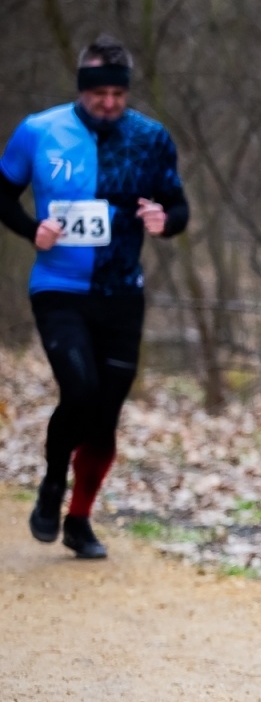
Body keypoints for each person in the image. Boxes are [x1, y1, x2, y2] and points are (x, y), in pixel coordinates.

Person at [0, 35, 190, 559]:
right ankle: (52, 483)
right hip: (58, 287)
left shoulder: (151, 139)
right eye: (99, 92)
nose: (109, 103)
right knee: (79, 389)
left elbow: (178, 208)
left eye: (118, 94)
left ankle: (79, 520)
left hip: (122, 294)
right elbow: (2, 192)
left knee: (105, 415)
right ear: (82, 87)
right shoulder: (40, 131)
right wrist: (28, 228)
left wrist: (163, 221)